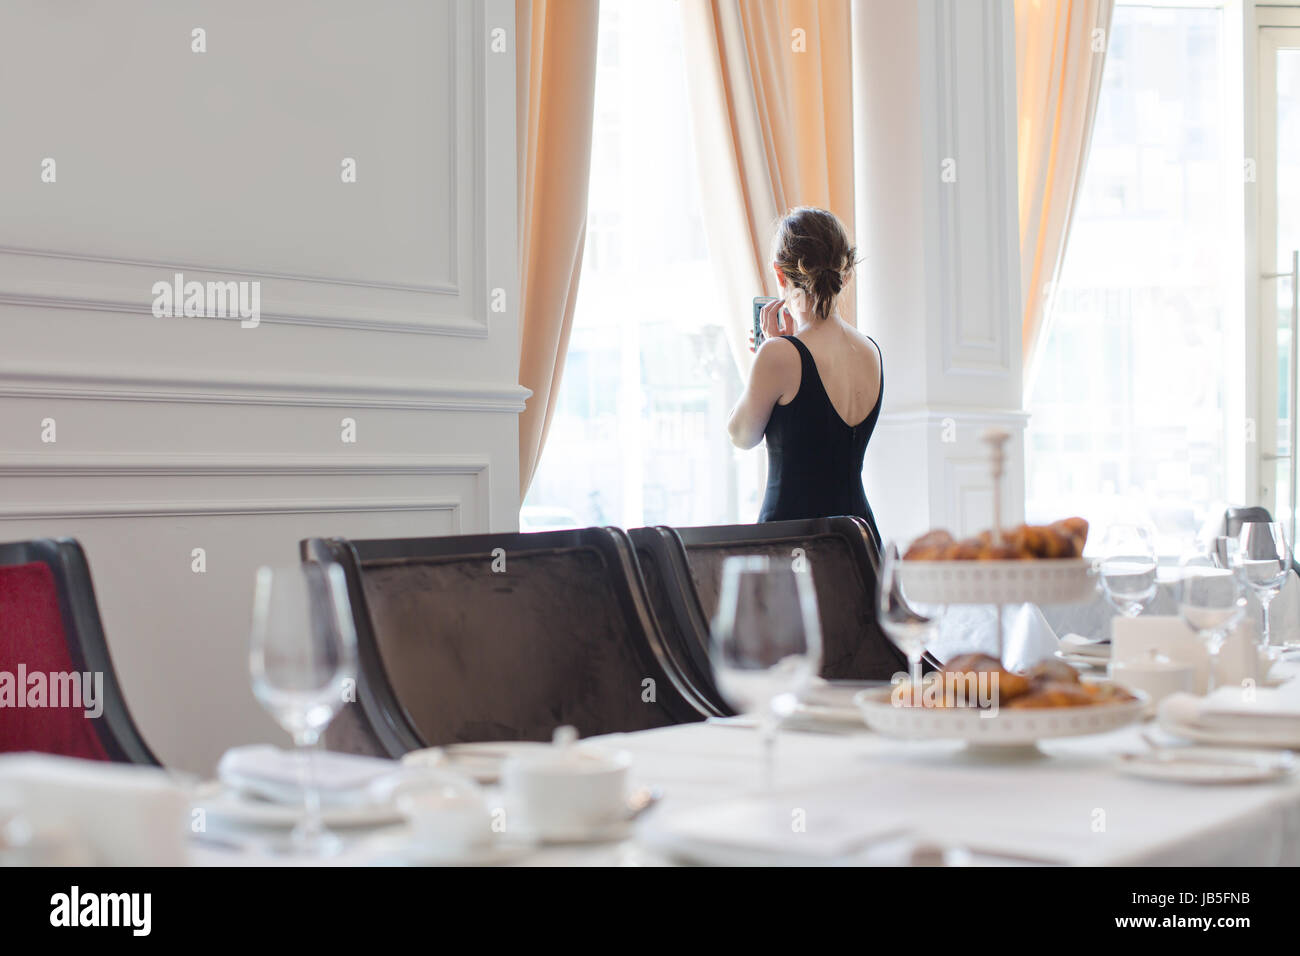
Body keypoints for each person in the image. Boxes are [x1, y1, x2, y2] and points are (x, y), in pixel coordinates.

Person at [726, 206, 884, 550]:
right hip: (860, 543)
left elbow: (741, 435)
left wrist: (766, 357)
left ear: (780, 275)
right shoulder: (871, 351)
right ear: (847, 274)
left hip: (791, 543)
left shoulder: (778, 356)